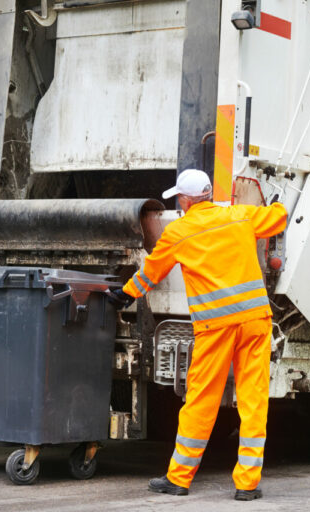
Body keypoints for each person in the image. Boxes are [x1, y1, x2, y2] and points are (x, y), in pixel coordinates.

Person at [108, 169, 287, 501]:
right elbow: (278, 219)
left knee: (201, 401)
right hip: (254, 323)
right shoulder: (240, 216)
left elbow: (152, 271)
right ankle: (247, 485)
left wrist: (125, 294)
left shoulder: (180, 231)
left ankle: (179, 479)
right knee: (253, 400)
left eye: (179, 197)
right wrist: (278, 201)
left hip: (215, 328)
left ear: (187, 200)